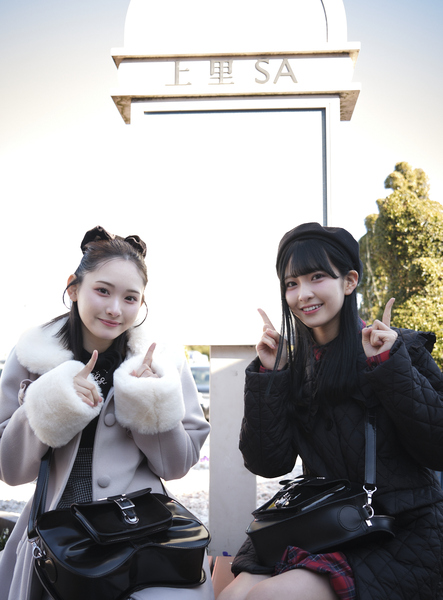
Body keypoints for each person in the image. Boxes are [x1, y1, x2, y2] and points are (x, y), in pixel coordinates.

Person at [218, 222, 443, 600]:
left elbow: (437, 449)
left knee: (270, 596)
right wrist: (271, 377)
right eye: (291, 283)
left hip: (399, 533)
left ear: (349, 281)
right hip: (319, 524)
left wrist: (389, 367)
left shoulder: (398, 348)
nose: (303, 294)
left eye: (317, 277)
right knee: (232, 595)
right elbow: (267, 463)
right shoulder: (292, 367)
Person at [0, 226, 213, 600]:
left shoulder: (160, 361)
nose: (116, 309)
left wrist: (148, 400)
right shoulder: (32, 355)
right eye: (103, 290)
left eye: (130, 297)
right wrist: (48, 402)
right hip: (59, 532)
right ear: (73, 288)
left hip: (142, 528)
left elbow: (176, 466)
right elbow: (10, 470)